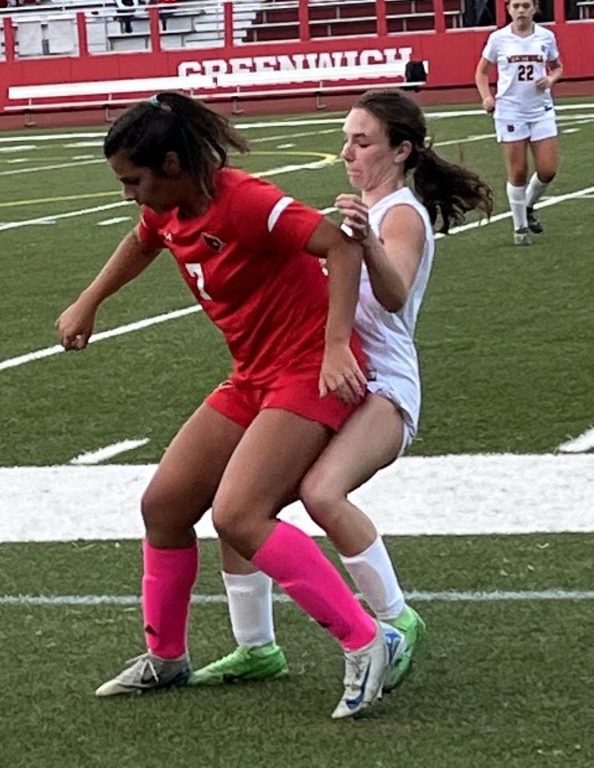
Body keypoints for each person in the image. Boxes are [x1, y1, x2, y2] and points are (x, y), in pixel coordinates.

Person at [56, 92, 405, 719]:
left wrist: (334, 347)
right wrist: (90, 301)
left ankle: (366, 639)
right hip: (253, 376)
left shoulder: (244, 200)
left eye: (134, 181)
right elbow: (142, 241)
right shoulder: (166, 207)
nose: (129, 194)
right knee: (164, 506)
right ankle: (166, 657)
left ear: (171, 164)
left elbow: (341, 247)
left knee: (240, 515)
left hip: (306, 372)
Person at [188, 90, 494, 691]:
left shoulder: (400, 214)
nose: (347, 152)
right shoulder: (360, 210)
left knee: (322, 492)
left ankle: (396, 620)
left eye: (362, 141)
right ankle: (255, 646)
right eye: (346, 139)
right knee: (243, 504)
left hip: (383, 382)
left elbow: (394, 296)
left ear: (401, 151)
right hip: (328, 375)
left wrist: (366, 242)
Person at [474, 0, 562, 246]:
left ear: (534, 8)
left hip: (541, 109)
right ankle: (520, 227)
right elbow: (481, 72)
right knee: (519, 170)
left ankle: (529, 205)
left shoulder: (546, 36)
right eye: (516, 6)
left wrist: (551, 79)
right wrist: (486, 97)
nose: (521, 10)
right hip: (510, 111)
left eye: (525, 5)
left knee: (548, 170)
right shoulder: (498, 39)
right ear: (508, 9)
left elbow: (557, 67)